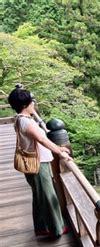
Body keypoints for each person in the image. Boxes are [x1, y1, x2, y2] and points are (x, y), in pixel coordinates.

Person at [8, 87, 72, 238]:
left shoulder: (19, 119)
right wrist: (60, 152)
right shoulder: (26, 122)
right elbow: (42, 139)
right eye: (32, 101)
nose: (34, 104)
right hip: (38, 164)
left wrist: (58, 149)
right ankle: (56, 229)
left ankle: (42, 227)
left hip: (33, 163)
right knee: (48, 196)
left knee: (39, 196)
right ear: (25, 105)